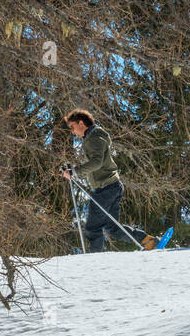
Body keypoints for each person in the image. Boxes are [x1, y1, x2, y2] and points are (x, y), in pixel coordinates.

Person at [60, 108, 158, 252]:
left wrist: (75, 171)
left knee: (93, 228)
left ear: (81, 123)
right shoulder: (94, 137)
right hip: (112, 186)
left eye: (72, 127)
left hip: (106, 189)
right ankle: (149, 242)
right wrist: (74, 170)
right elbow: (98, 162)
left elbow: (97, 162)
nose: (72, 131)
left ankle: (95, 261)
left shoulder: (93, 138)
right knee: (112, 228)